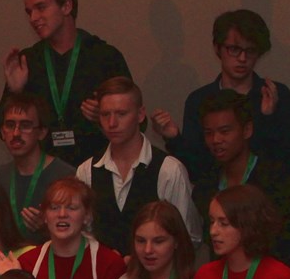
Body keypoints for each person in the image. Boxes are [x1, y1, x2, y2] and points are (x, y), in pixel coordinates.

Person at [0, 0, 132, 166]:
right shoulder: (29, 60)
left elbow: (137, 124)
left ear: (66, 6)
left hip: (97, 168)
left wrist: (105, 116)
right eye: (29, 12)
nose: (33, 18)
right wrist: (14, 91)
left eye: (41, 8)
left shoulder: (104, 57)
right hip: (44, 172)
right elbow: (0, 127)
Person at [151, 9, 290, 184]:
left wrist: (268, 118)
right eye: (234, 49)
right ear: (218, 48)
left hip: (267, 195)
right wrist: (174, 138)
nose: (242, 58)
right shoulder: (199, 100)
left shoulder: (276, 94)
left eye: (251, 50)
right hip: (216, 195)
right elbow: (194, 170)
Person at [188, 91, 290, 269]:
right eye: (209, 133)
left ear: (247, 130)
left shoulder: (277, 180)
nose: (216, 140)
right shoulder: (206, 186)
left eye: (225, 131)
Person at [75, 77, 200, 251]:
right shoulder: (86, 171)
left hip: (155, 268)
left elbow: (188, 238)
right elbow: (82, 236)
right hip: (103, 268)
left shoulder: (168, 170)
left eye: (121, 114)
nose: (112, 123)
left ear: (140, 115)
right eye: (105, 115)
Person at [0, 93, 74, 244]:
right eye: (10, 125)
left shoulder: (66, 176)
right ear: (2, 132)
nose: (16, 133)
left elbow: (80, 235)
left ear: (42, 132)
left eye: (25, 126)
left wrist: (48, 228)